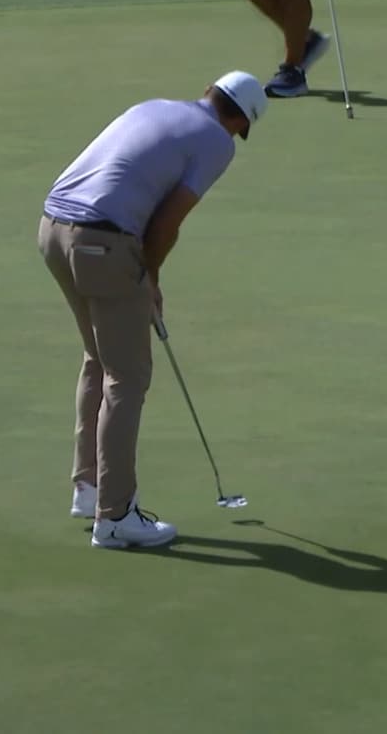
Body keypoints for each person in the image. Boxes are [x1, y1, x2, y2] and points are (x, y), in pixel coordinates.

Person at [37, 71, 268, 549]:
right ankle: (116, 516)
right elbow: (167, 222)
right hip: (102, 240)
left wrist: (143, 279)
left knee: (99, 359)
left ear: (210, 91)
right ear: (240, 120)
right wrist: (150, 278)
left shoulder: (153, 105)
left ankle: (90, 486)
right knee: (128, 375)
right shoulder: (217, 142)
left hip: (53, 231)